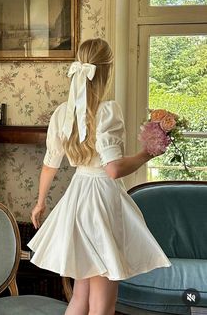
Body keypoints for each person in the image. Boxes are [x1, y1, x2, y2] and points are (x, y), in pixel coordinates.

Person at [28, 38, 171, 315]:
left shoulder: (61, 114)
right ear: (107, 70)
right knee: (103, 303)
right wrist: (147, 154)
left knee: (80, 296)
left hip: (77, 197)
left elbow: (50, 164)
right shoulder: (107, 111)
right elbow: (113, 169)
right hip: (101, 201)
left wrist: (40, 202)